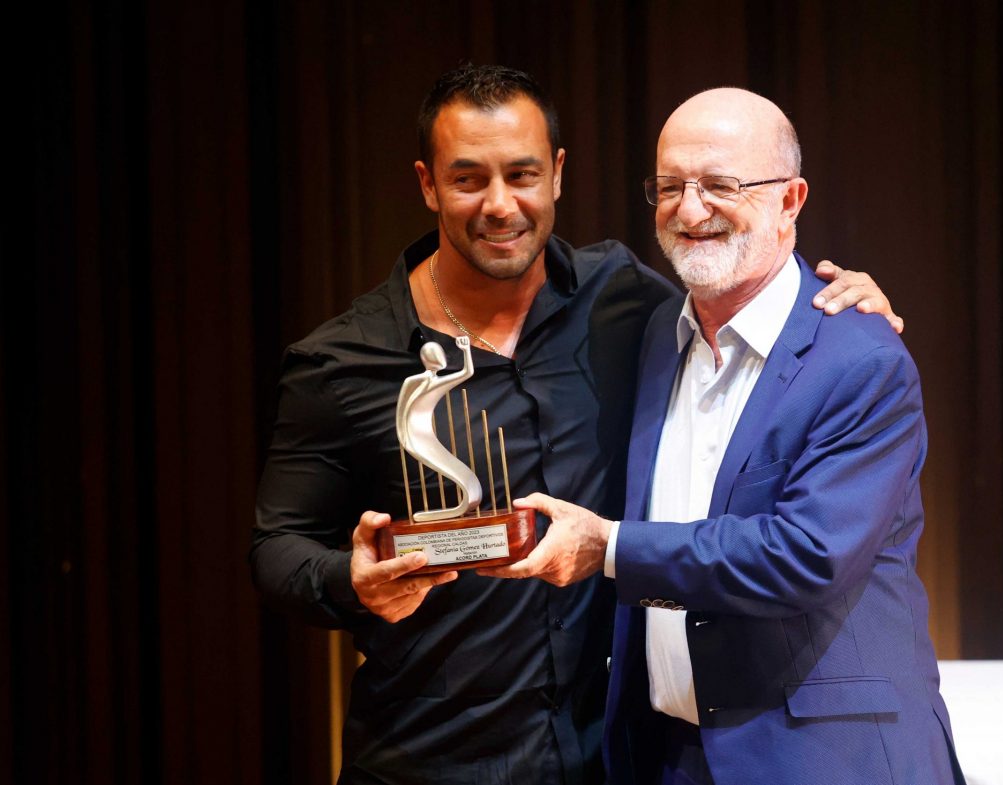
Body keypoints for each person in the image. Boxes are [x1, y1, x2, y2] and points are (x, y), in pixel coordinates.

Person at [251, 65, 902, 785]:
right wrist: (350, 581)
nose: (500, 204)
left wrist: (836, 301)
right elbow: (276, 547)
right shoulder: (339, 361)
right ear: (428, 184)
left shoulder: (625, 303)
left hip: (605, 757)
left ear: (557, 175)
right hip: (423, 756)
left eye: (522, 174)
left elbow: (743, 288)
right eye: (468, 179)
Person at [485, 87, 964, 784]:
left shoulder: (860, 358)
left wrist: (607, 547)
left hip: (824, 762)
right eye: (670, 186)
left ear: (791, 200)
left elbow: (804, 556)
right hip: (671, 755)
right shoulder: (657, 333)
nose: (689, 209)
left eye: (720, 184)